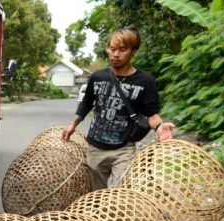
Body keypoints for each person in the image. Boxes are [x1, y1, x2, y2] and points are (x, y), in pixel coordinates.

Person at [62, 26, 175, 190]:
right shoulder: (97, 77)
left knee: (119, 196)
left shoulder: (145, 81)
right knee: (95, 196)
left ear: (133, 51)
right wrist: (73, 124)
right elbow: (86, 103)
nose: (115, 54)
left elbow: (152, 114)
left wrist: (159, 126)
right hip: (95, 147)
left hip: (124, 149)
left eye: (122, 50)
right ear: (107, 49)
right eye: (112, 49)